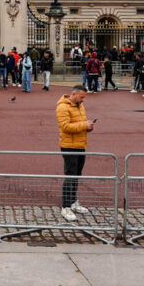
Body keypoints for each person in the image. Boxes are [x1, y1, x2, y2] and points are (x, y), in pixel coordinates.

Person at [57, 86, 93, 221]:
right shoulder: (62, 107)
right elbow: (65, 127)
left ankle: (73, 202)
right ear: (74, 94)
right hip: (69, 146)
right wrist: (84, 125)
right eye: (82, 97)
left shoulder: (80, 105)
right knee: (70, 175)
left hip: (80, 144)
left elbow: (81, 124)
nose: (83, 100)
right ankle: (65, 206)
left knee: (77, 175)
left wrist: (89, 127)